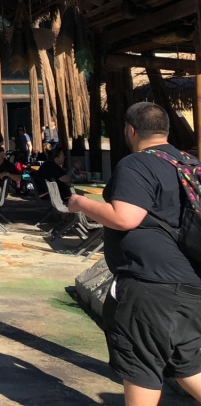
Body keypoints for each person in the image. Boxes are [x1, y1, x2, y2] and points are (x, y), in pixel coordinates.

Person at [68, 103, 201, 405]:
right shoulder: (188, 163)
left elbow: (125, 217)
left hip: (150, 287)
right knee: (188, 362)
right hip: (191, 283)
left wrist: (81, 204)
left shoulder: (136, 164)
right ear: (165, 129)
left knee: (142, 365)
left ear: (130, 130)